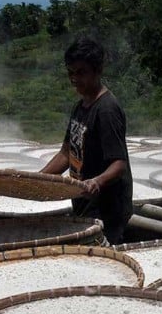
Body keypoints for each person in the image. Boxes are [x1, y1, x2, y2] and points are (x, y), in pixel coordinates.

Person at [41, 37, 133, 245]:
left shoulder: (107, 109)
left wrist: (96, 181)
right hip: (84, 203)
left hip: (107, 209)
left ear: (97, 70)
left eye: (81, 72)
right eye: (71, 73)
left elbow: (119, 164)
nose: (74, 79)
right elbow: (66, 153)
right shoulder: (80, 107)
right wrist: (38, 179)